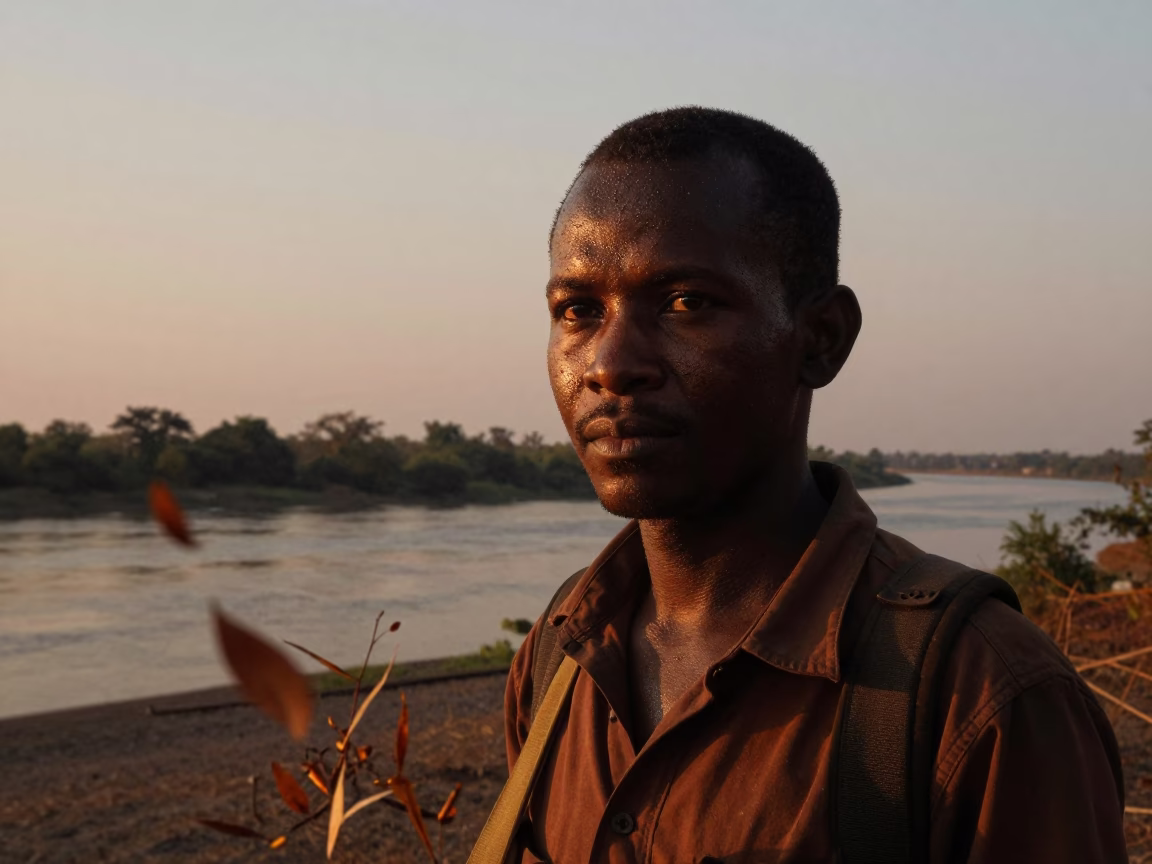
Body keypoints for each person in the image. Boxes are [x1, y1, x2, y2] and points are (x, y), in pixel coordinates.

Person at [501, 107, 1126, 863]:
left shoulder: (980, 690)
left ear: (821, 339)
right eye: (578, 310)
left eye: (685, 302)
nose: (610, 364)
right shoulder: (556, 660)